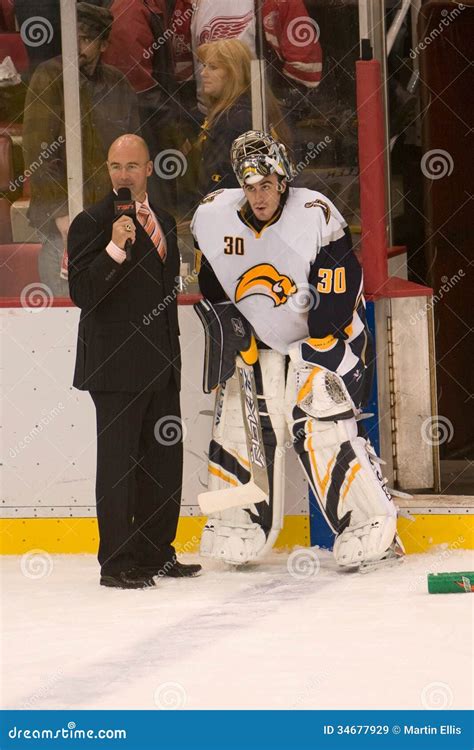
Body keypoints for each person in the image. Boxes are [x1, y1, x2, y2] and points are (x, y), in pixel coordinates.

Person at [191, 130, 404, 570]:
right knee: (239, 413)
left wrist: (321, 342)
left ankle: (371, 520)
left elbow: (341, 289)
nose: (259, 196)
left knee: (317, 419)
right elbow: (213, 286)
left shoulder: (316, 213)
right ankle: (237, 516)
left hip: (330, 336)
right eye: (250, 188)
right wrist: (237, 333)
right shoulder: (213, 216)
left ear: (282, 181)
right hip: (266, 341)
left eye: (266, 185)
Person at [68, 133, 201, 588]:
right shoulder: (92, 222)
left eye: (131, 166)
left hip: (162, 364)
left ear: (149, 170)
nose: (122, 175)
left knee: (163, 463)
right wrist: (115, 249)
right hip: (116, 369)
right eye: (114, 167)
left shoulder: (163, 219)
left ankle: (155, 553)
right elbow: (84, 294)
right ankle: (118, 562)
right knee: (120, 468)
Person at [22, 2, 140, 296]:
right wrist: (61, 214)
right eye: (72, 37)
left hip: (112, 222)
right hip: (62, 228)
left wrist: (133, 210)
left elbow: (133, 153)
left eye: (87, 39)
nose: (77, 46)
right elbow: (38, 154)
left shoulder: (118, 83)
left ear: (103, 44)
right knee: (66, 315)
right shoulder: (48, 77)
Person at [170, 0, 323, 107]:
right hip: (208, 111)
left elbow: (303, 59)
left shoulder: (278, 2)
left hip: (257, 111)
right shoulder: (188, 4)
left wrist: (277, 108)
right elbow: (182, 57)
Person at [195, 38, 289, 198]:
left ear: (234, 73)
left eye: (213, 67)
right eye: (204, 66)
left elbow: (229, 181)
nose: (203, 73)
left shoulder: (236, 120)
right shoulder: (245, 111)